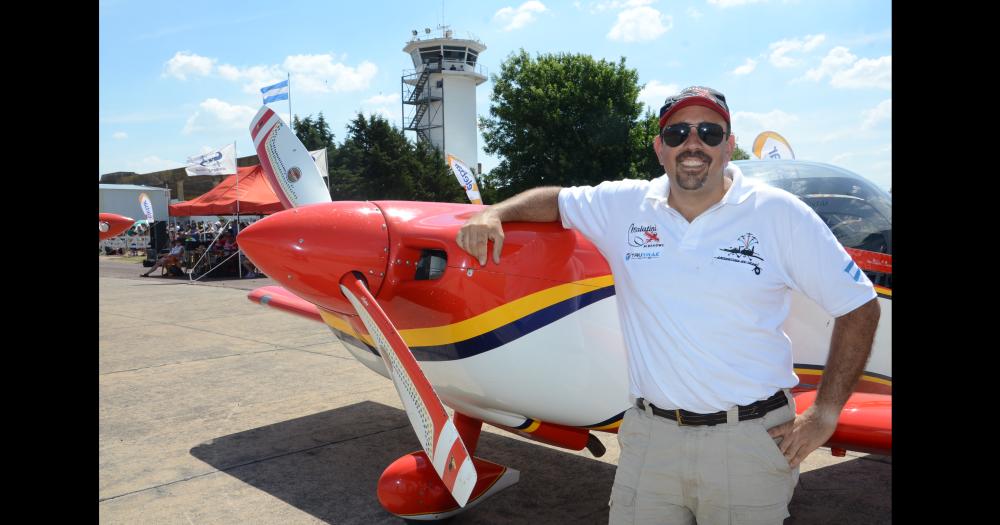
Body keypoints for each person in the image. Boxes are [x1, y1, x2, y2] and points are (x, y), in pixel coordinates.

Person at [456, 86, 880, 524]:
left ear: (729, 144)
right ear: (660, 148)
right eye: (677, 133)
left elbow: (860, 307)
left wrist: (825, 412)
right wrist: (494, 214)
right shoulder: (625, 204)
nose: (692, 143)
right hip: (651, 440)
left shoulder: (780, 214)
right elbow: (555, 200)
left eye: (709, 132)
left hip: (749, 440)